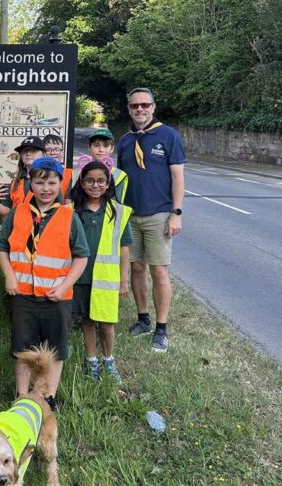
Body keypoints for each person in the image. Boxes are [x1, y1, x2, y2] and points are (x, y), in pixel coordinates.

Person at [0, 157, 90, 410]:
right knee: (23, 347)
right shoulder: (18, 213)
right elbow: (1, 247)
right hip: (23, 295)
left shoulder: (69, 217)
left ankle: (48, 396)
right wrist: (9, 275)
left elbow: (81, 256)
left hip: (56, 296)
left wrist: (63, 286)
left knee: (55, 347)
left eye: (51, 182)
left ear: (60, 183)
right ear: (30, 184)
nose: (45, 189)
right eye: (39, 183)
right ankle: (22, 395)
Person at [116, 87, 185, 353]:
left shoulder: (169, 136)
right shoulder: (125, 141)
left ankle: (161, 328)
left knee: (159, 271)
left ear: (153, 107)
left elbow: (178, 178)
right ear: (129, 109)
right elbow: (119, 181)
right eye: (135, 106)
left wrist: (176, 213)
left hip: (159, 214)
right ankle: (142, 318)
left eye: (145, 105)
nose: (140, 110)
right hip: (130, 216)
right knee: (136, 268)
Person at [70, 161, 133, 383]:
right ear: (82, 182)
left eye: (100, 181)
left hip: (107, 278)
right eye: (90, 180)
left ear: (108, 184)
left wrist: (123, 281)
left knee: (106, 322)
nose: (95, 185)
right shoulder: (72, 211)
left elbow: (125, 249)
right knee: (87, 318)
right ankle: (92, 360)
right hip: (81, 276)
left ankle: (108, 359)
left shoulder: (119, 212)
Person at [0, 136, 45, 217]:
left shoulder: (50, 179)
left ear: (43, 154)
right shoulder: (15, 182)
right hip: (18, 227)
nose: (28, 153)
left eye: (33, 150)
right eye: (24, 151)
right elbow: (6, 211)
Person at [82, 129, 129, 203]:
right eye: (96, 145)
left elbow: (117, 204)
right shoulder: (77, 173)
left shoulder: (119, 176)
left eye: (106, 146)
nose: (101, 150)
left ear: (112, 148)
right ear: (89, 147)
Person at [43, 134, 73, 203]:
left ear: (62, 153)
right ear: (43, 153)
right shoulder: (36, 173)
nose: (53, 153)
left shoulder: (70, 174)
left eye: (57, 149)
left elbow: (68, 202)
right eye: (48, 150)